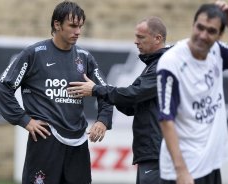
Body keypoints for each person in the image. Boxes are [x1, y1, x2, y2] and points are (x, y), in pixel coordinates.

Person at [0, 1, 113, 184]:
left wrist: (103, 120)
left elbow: (106, 91)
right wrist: (24, 120)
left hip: (78, 143)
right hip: (45, 140)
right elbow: (2, 87)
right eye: (72, 26)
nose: (78, 32)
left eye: (80, 26)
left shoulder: (85, 58)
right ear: (57, 24)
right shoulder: (34, 54)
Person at [156, 1, 228, 184]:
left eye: (211, 31)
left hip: (210, 163)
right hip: (186, 167)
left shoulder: (217, 51)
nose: (202, 35)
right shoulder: (171, 63)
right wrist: (181, 171)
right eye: (199, 28)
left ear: (220, 34)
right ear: (193, 25)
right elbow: (166, 119)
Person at [67, 16, 169, 184]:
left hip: (157, 153)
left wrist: (96, 89)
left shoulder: (162, 66)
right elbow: (130, 105)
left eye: (141, 37)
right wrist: (104, 97)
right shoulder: (153, 65)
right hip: (150, 152)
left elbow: (132, 94)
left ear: (158, 38)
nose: (136, 42)